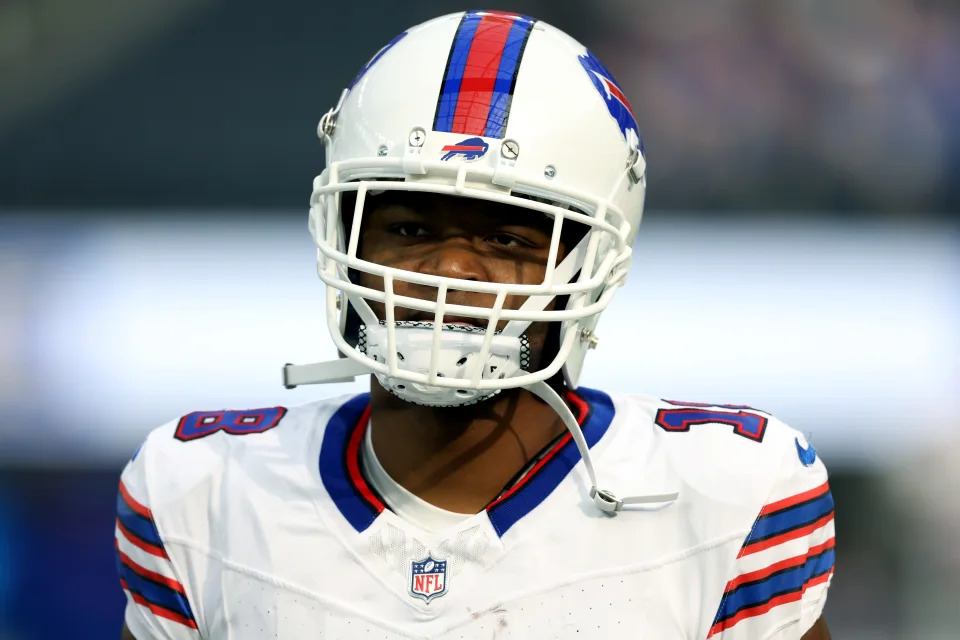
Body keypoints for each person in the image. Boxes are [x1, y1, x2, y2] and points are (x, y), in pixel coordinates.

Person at [115, 10, 834, 639]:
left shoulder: (724, 499)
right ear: (347, 239)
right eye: (409, 225)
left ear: (588, 266)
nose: (452, 270)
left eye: (508, 240)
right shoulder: (203, 497)